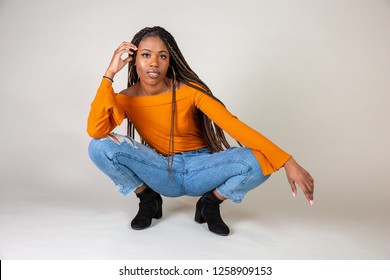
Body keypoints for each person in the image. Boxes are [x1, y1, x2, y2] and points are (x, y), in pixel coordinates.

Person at [87, 26, 314, 236]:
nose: (154, 63)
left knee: (265, 160)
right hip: (160, 169)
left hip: (202, 170)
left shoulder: (190, 92)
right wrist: (109, 75)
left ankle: (210, 203)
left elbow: (233, 125)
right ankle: (148, 199)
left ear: (170, 62)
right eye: (146, 55)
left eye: (162, 56)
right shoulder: (125, 99)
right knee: (98, 146)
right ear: (133, 60)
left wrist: (287, 161)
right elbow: (95, 129)